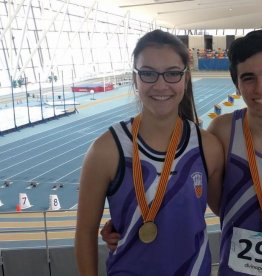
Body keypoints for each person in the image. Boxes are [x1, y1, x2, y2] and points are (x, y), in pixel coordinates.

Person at [102, 29, 262, 276]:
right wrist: (127, 222)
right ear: (237, 84)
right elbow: (195, 194)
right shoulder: (222, 133)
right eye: (248, 78)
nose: (260, 87)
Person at [75, 29, 223, 276]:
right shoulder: (105, 151)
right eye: (148, 74)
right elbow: (85, 232)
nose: (161, 84)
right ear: (135, 80)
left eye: (172, 73)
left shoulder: (208, 147)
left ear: (185, 79)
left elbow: (225, 210)